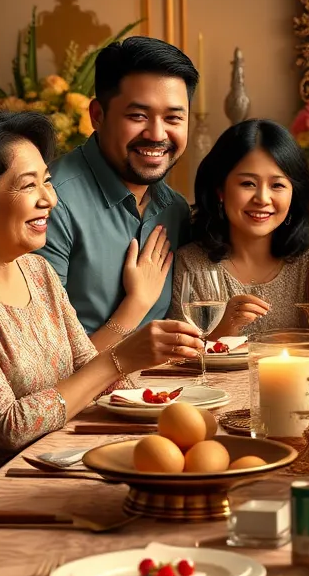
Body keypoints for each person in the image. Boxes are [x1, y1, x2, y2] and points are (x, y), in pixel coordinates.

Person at [0, 111, 203, 549]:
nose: (48, 198)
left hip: (31, 469)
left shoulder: (34, 269)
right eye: (27, 185)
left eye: (46, 180)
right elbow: (9, 426)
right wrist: (123, 357)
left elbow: (89, 370)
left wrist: (148, 367)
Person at [38, 36, 198, 354]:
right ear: (97, 115)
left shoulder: (175, 210)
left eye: (173, 118)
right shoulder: (50, 203)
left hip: (157, 396)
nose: (156, 134)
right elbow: (45, 367)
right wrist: (134, 307)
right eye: (138, 116)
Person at [169, 119, 309, 338]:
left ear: (294, 195)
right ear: (220, 190)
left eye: (277, 185)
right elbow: (176, 360)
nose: (263, 198)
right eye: (248, 184)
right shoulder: (191, 264)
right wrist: (222, 329)